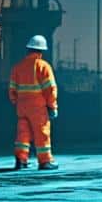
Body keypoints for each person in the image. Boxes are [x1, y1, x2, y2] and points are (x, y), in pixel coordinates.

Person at [9, 35, 59, 170]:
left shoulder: (17, 67)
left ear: (28, 49)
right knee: (42, 132)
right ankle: (45, 161)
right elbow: (50, 89)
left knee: (22, 134)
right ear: (41, 51)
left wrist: (16, 101)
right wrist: (52, 106)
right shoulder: (43, 66)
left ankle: (21, 160)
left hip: (22, 107)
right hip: (38, 107)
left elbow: (12, 89)